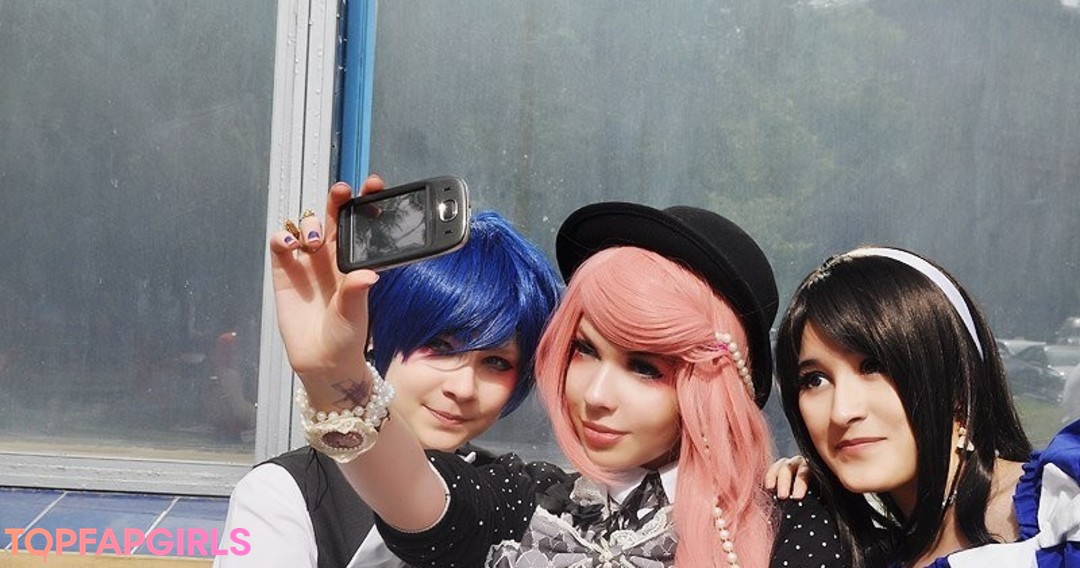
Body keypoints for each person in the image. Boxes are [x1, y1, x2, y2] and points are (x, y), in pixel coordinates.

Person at [273, 179, 783, 567]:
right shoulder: (527, 498)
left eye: (645, 368)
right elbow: (417, 499)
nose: (596, 395)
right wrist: (334, 375)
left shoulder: (791, 519)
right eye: (585, 350)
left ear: (712, 387)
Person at [215, 183, 563, 568]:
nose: (463, 388)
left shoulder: (517, 497)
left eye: (496, 362)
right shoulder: (282, 494)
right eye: (440, 346)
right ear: (374, 332)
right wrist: (333, 375)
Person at [768, 246, 1080, 568]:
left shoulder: (1063, 502)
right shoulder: (865, 550)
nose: (842, 412)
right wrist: (811, 501)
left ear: (958, 382)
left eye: (874, 366)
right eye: (815, 380)